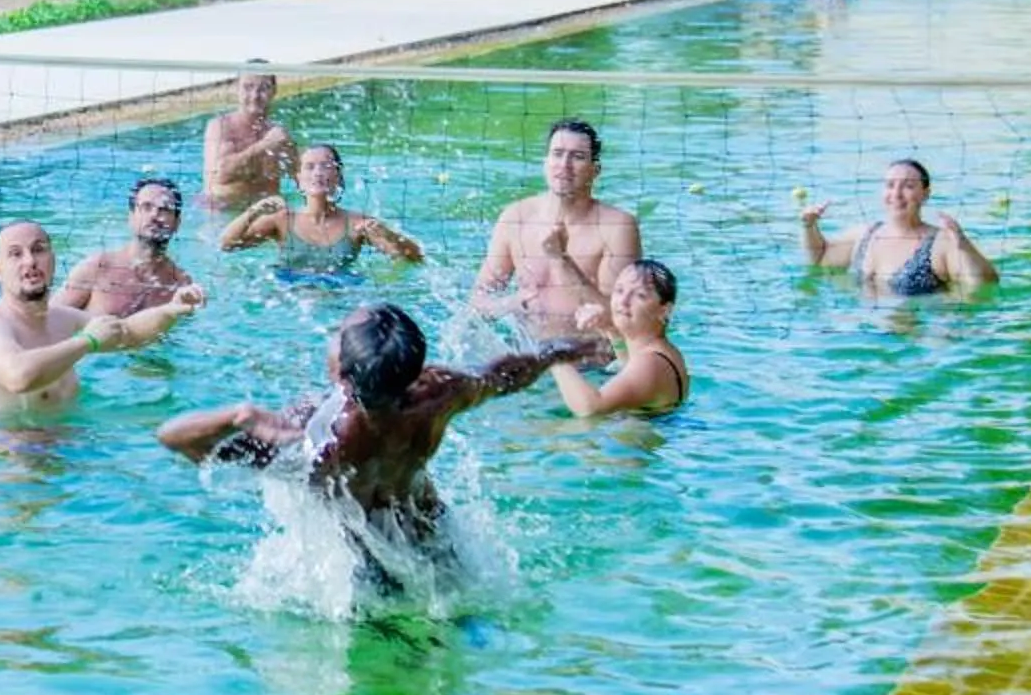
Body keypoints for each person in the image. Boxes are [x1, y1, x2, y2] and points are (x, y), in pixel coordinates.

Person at [156, 305, 601, 545]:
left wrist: (239, 416)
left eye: (339, 334)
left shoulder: (316, 436)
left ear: (343, 376)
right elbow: (505, 376)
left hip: (366, 559)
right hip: (432, 534)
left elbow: (174, 438)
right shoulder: (440, 393)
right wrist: (558, 352)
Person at [0, 221, 205, 415]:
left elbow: (127, 332)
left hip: (69, 449)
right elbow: (18, 376)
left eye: (38, 250)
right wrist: (87, 341)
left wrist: (171, 309)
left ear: (53, 259)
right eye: (15, 254)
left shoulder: (62, 319)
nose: (30, 260)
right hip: (14, 464)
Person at [476, 118, 642, 326]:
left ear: (595, 170)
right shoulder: (515, 218)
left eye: (578, 157)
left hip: (590, 355)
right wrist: (512, 303)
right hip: (528, 353)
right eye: (557, 154)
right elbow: (478, 303)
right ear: (545, 163)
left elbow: (619, 318)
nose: (564, 165)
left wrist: (561, 259)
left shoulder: (617, 227)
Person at [801, 158, 1000, 294]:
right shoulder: (864, 234)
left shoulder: (942, 243)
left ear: (925, 194)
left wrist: (963, 245)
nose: (896, 194)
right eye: (890, 185)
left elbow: (983, 286)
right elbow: (820, 259)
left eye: (908, 186)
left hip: (913, 340)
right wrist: (809, 227)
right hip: (862, 336)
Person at [218, 143, 424, 273]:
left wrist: (388, 234)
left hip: (340, 295)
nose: (318, 173)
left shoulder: (356, 224)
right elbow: (226, 245)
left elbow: (414, 258)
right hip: (288, 295)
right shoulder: (281, 221)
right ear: (298, 179)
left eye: (326, 166)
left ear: (338, 178)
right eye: (310, 167)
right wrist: (253, 211)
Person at [553, 258, 690, 417]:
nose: (623, 302)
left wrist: (554, 356)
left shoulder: (652, 363)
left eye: (640, 295)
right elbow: (630, 368)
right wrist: (610, 330)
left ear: (664, 310)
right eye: (619, 290)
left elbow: (590, 408)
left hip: (637, 437)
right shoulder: (660, 352)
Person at [58, 176, 199, 315]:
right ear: (131, 217)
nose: (155, 215)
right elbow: (47, 321)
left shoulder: (181, 283)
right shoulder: (97, 268)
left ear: (177, 223)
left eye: (165, 209)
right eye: (146, 207)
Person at [201, 70, 295, 212]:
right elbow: (219, 174)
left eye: (263, 88)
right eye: (248, 87)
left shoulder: (277, 133)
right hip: (224, 213)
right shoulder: (220, 127)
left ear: (274, 92)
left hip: (268, 213)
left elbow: (300, 176)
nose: (255, 96)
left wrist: (291, 152)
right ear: (236, 89)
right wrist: (265, 145)